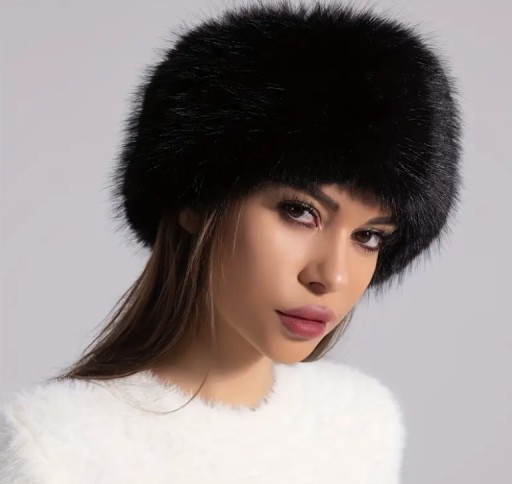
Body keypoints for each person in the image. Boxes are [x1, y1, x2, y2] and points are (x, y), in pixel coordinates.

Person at [0, 1, 462, 482]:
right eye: (299, 211)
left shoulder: (360, 423)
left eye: (368, 236)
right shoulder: (53, 446)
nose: (333, 276)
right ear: (194, 203)